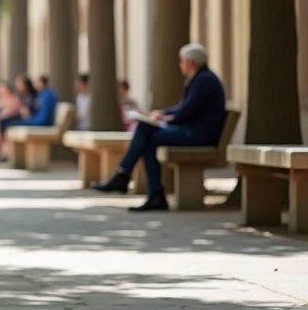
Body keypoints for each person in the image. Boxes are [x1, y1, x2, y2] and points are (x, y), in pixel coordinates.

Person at [91, 44, 227, 212]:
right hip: (193, 130)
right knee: (146, 135)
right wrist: (161, 114)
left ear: (191, 62)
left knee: (145, 132)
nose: (180, 64)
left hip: (199, 134)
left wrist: (163, 120)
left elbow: (187, 111)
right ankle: (146, 189)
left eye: (182, 61)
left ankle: (128, 177)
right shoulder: (201, 78)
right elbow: (183, 107)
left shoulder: (204, 80)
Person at [0, 81, 23, 160]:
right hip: (4, 121)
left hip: (13, 120)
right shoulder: (1, 99)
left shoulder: (13, 98)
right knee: (1, 130)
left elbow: (11, 112)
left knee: (2, 130)